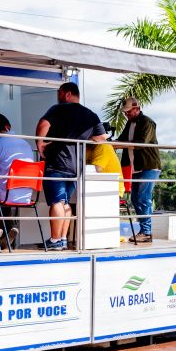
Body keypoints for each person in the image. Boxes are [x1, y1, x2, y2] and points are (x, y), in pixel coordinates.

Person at [35, 82, 106, 251]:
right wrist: (83, 142)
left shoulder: (58, 109)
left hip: (57, 162)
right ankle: (62, 239)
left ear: (67, 94)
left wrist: (40, 142)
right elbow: (102, 137)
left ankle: (54, 240)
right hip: (76, 167)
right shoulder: (90, 114)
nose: (58, 97)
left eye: (59, 93)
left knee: (56, 202)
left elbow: (43, 124)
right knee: (66, 202)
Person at [0, 115, 34, 250]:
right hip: (26, 193)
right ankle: (9, 228)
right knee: (3, 193)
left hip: (5, 193)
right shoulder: (26, 143)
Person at [116, 97, 161, 243]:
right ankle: (144, 231)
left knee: (143, 198)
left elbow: (141, 143)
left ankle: (146, 232)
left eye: (128, 112)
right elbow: (121, 140)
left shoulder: (147, 122)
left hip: (149, 166)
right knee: (135, 199)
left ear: (136, 108)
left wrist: (117, 144)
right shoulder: (129, 124)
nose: (126, 115)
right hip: (136, 167)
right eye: (125, 113)